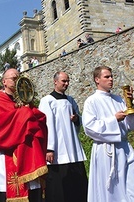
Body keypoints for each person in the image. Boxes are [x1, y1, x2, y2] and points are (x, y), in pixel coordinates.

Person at [82, 66, 134, 202]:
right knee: (111, 191)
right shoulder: (91, 101)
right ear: (97, 80)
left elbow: (130, 126)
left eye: (111, 76)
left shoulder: (118, 99)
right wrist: (113, 120)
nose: (111, 79)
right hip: (106, 151)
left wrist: (130, 106)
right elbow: (89, 128)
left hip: (124, 148)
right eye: (107, 77)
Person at [0, 68, 48, 202]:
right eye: (13, 78)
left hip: (29, 152)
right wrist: (23, 114)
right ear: (4, 82)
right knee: (11, 188)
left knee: (32, 190)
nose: (17, 81)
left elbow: (38, 120)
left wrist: (30, 112)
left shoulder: (25, 102)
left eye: (19, 77)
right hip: (7, 154)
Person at [38, 72, 88, 202]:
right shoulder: (47, 101)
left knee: (77, 185)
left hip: (73, 149)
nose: (66, 84)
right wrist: (49, 148)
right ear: (55, 82)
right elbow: (46, 125)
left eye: (67, 81)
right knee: (58, 187)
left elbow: (78, 123)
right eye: (63, 81)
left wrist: (77, 119)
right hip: (58, 151)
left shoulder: (71, 100)